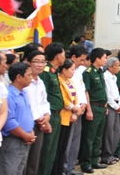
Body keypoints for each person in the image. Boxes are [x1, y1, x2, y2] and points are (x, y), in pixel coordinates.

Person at [0, 63, 36, 174]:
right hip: (13, 141)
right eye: (29, 75)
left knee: (19, 171)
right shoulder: (9, 95)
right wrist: (25, 135)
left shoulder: (23, 92)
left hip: (24, 139)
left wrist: (30, 131)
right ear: (19, 77)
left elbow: (27, 114)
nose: (31, 78)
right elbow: (9, 121)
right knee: (9, 171)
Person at [80, 48, 109, 173]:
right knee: (89, 137)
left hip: (102, 107)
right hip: (93, 106)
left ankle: (94, 160)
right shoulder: (88, 72)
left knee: (98, 137)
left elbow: (102, 91)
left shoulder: (100, 71)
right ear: (97, 59)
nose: (106, 60)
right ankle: (86, 163)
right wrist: (89, 110)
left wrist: (105, 106)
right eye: (104, 57)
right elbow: (86, 91)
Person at [38, 43, 65, 175]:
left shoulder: (54, 72)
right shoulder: (46, 72)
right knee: (46, 150)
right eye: (63, 54)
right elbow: (42, 96)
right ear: (57, 56)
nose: (65, 57)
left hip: (57, 114)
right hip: (49, 115)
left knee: (52, 150)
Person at [23, 50, 52, 175]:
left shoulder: (40, 82)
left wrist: (47, 116)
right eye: (36, 61)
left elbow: (44, 102)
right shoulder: (23, 82)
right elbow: (26, 105)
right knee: (23, 160)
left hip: (40, 124)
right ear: (28, 62)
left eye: (43, 62)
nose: (40, 65)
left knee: (34, 160)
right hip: (26, 124)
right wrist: (38, 119)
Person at [63, 46, 89, 175]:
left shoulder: (79, 71)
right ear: (73, 57)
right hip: (70, 111)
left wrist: (84, 104)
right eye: (81, 59)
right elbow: (67, 94)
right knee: (67, 142)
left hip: (79, 109)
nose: (83, 62)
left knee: (75, 141)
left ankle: (71, 168)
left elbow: (82, 89)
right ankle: (64, 168)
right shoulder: (66, 70)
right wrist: (75, 109)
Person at [52, 59, 80, 175]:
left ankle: (62, 169)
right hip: (63, 115)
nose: (73, 72)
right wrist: (73, 108)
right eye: (72, 69)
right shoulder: (58, 81)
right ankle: (56, 170)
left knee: (64, 145)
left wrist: (75, 111)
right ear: (64, 70)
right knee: (59, 145)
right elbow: (63, 99)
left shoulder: (70, 82)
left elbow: (75, 98)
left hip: (71, 115)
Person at [102, 57, 120, 166]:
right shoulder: (105, 77)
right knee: (109, 132)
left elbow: (116, 93)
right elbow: (108, 95)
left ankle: (112, 153)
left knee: (116, 131)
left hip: (116, 105)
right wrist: (115, 106)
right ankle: (107, 155)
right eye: (117, 66)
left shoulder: (114, 77)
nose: (119, 68)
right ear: (110, 67)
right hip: (110, 106)